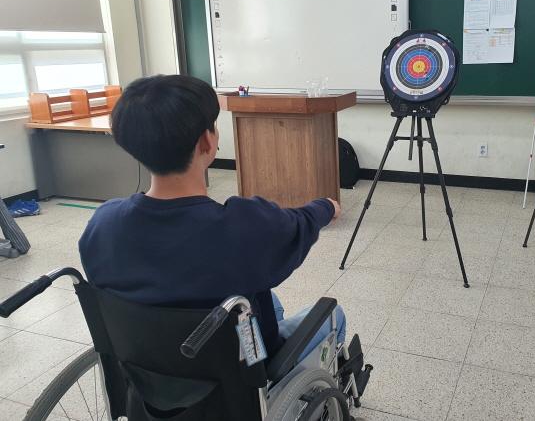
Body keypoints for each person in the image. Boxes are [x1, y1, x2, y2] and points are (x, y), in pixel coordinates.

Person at [79, 74, 345, 360]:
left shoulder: (102, 224)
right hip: (245, 368)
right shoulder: (245, 228)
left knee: (268, 301)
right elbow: (299, 223)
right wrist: (327, 207)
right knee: (334, 313)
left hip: (150, 366)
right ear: (207, 141)